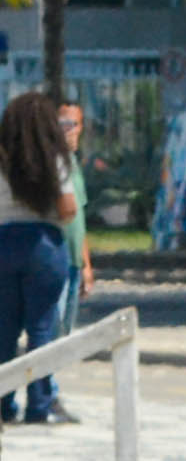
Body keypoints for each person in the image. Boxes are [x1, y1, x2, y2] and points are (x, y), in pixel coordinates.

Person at [0, 91, 81, 426]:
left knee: (3, 329)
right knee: (42, 327)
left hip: (3, 243)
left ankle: (3, 403)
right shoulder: (55, 159)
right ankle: (40, 404)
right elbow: (68, 209)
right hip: (44, 245)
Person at [56, 103, 94, 338]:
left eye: (73, 124)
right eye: (62, 125)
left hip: (74, 261)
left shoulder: (73, 164)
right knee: (53, 330)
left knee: (65, 332)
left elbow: (79, 218)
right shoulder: (50, 163)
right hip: (55, 256)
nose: (68, 130)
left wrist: (86, 264)